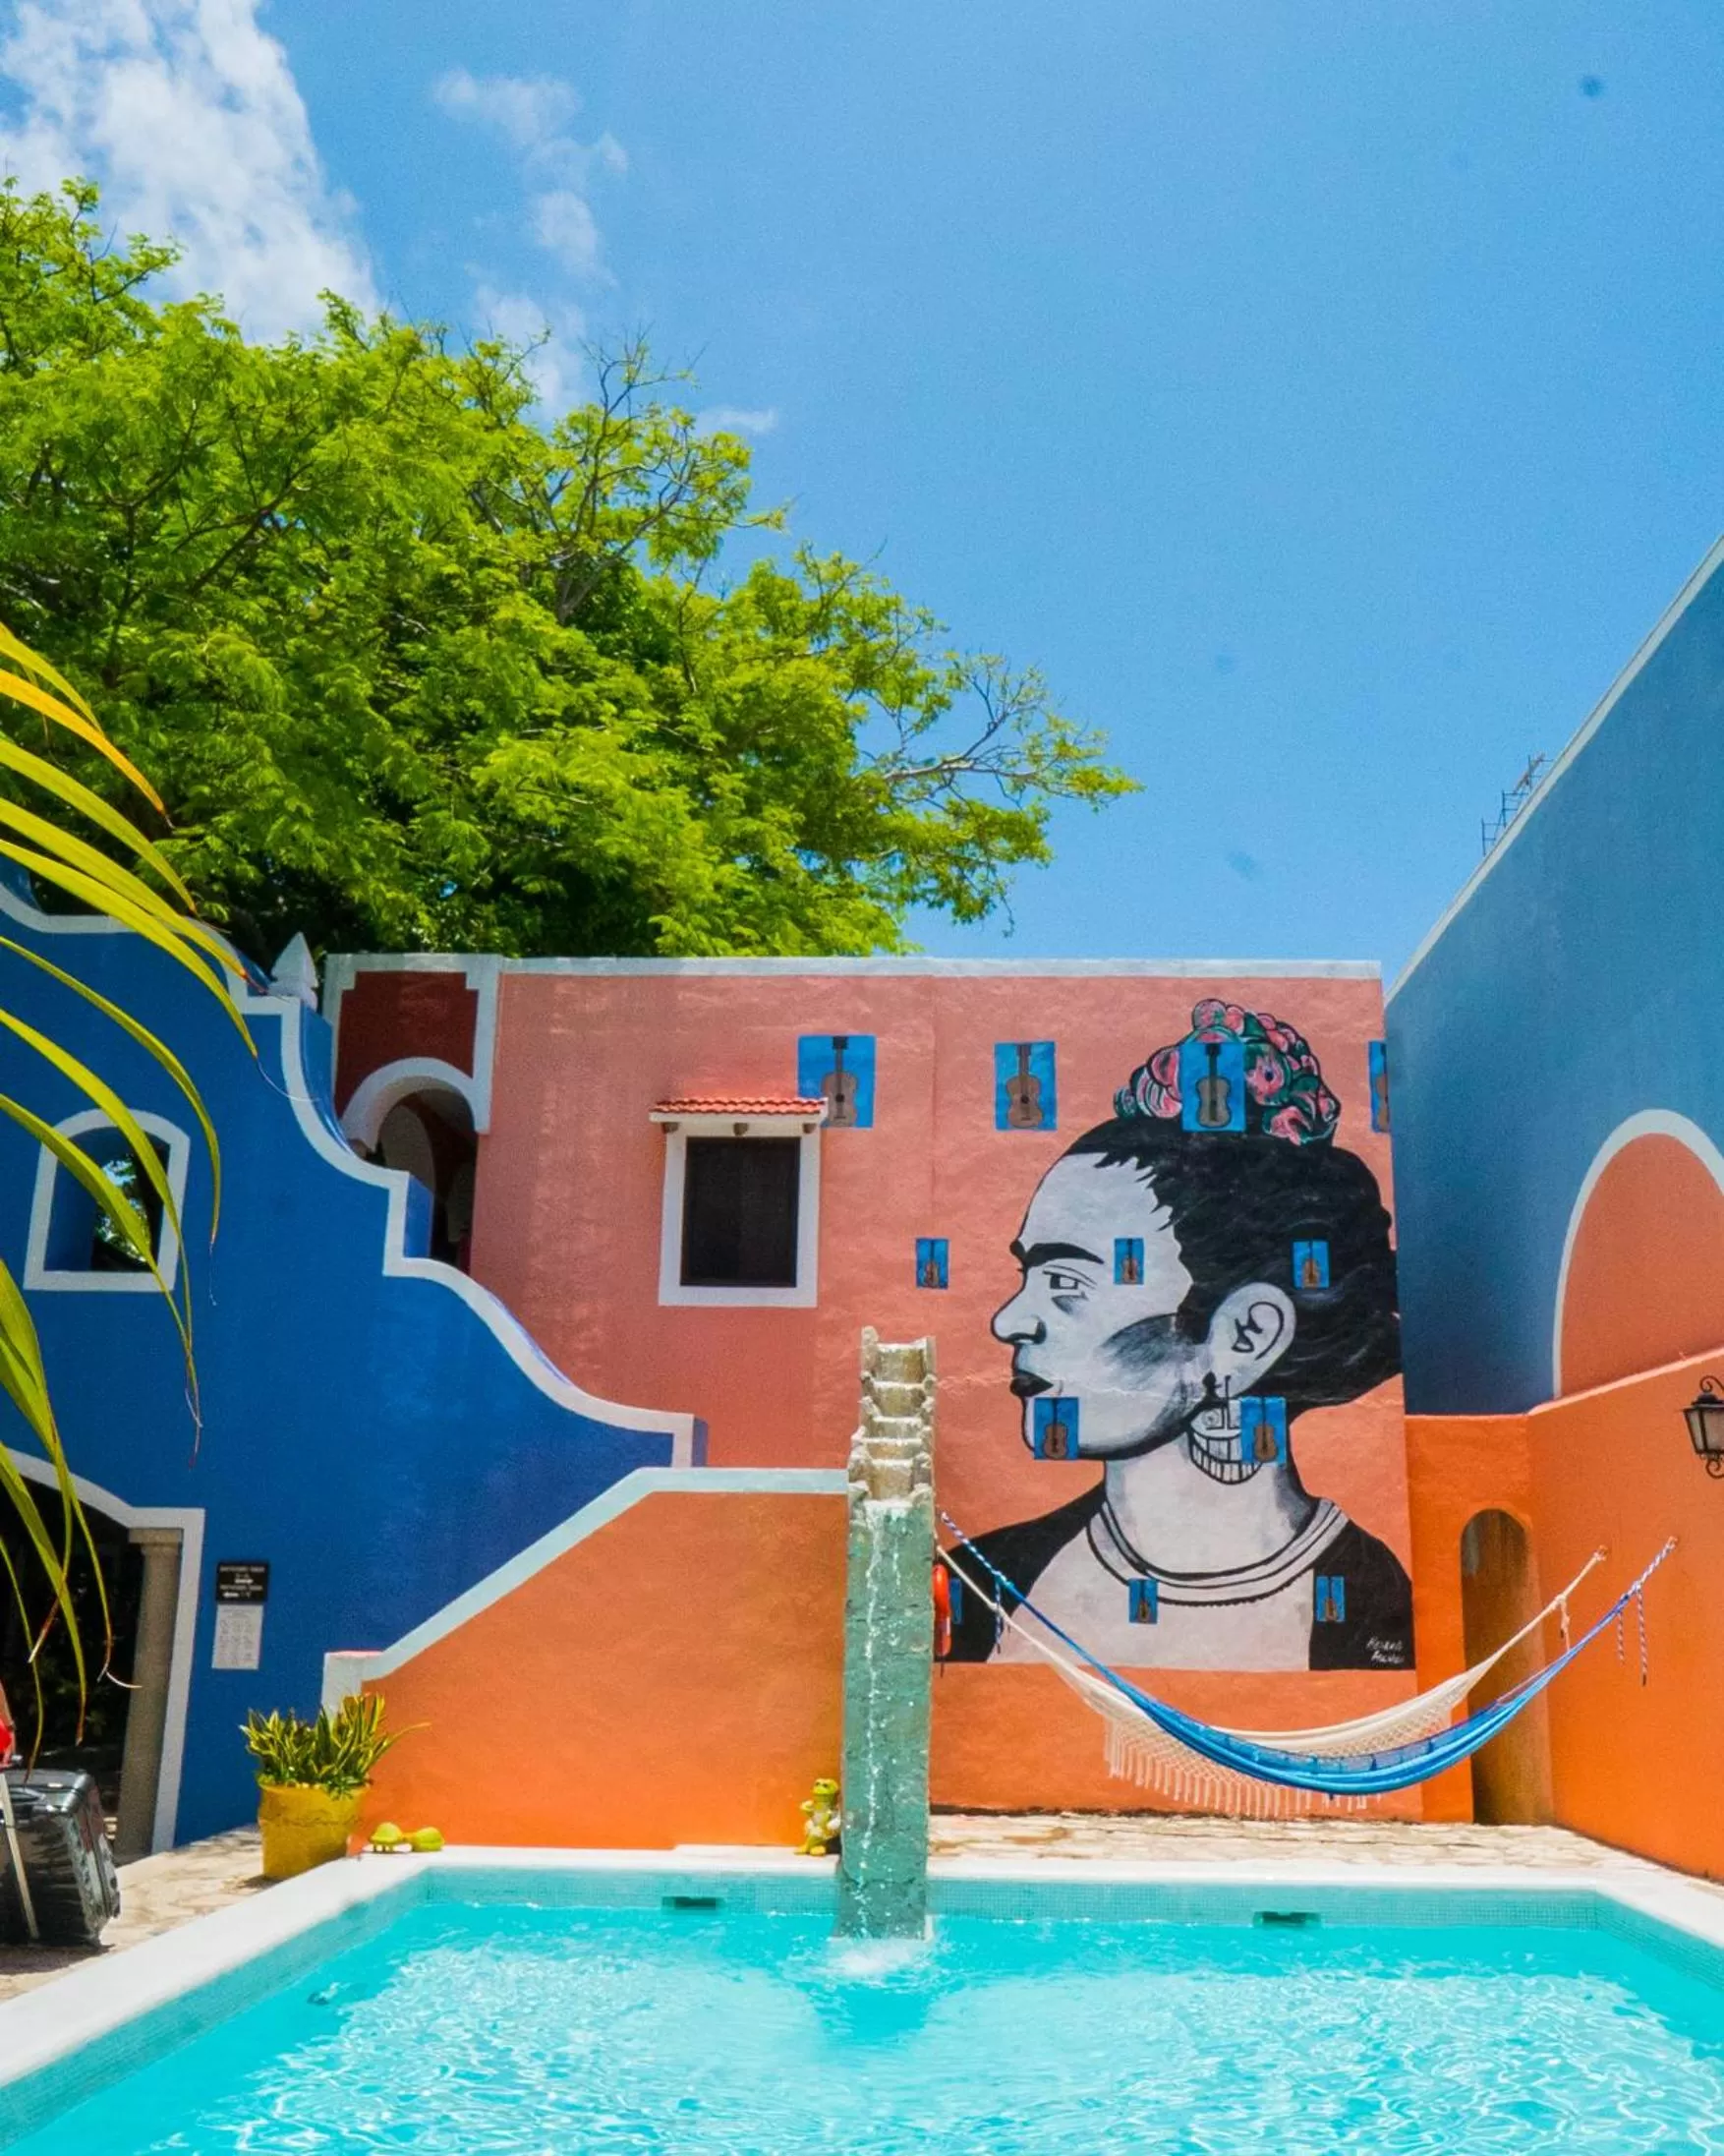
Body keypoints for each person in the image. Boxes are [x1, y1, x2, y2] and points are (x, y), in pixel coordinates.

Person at [948, 1001, 1411, 1672]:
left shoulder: (1369, 1604)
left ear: (1246, 1337)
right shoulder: (984, 1583)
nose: (1007, 1320)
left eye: (1067, 1282)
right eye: (1029, 1275)